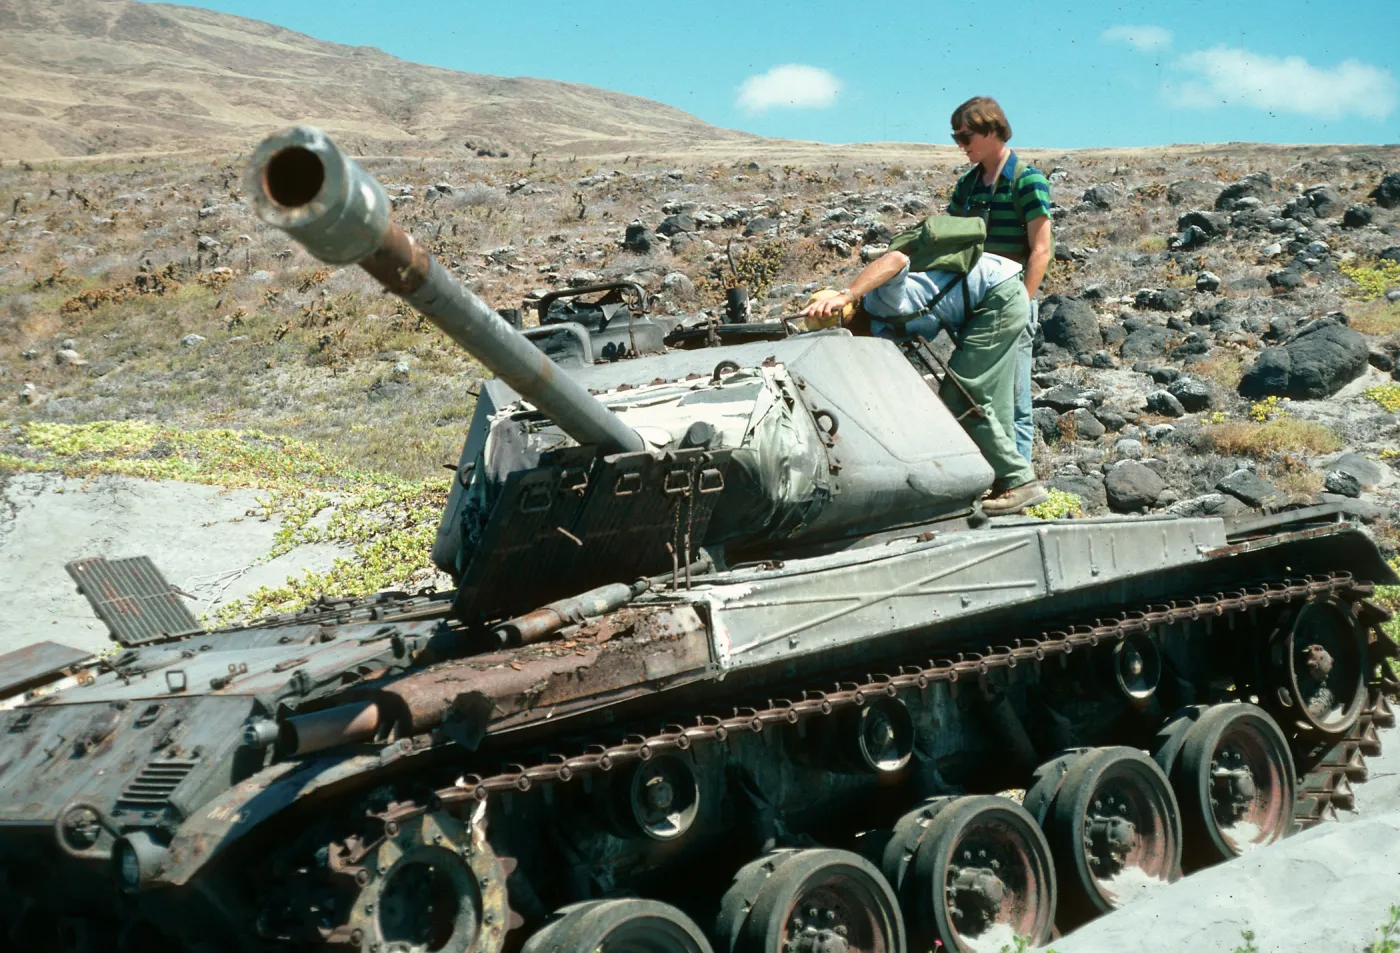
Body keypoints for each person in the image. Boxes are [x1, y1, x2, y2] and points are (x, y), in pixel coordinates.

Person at [800, 242, 1047, 514]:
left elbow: (896, 259)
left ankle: (1019, 481)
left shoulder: (879, 300)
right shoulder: (877, 329)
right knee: (991, 400)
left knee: (961, 395)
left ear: (848, 319)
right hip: (997, 295)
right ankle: (1008, 486)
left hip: (998, 294)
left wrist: (847, 295)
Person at [947, 97, 1053, 468]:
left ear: (992, 130)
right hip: (974, 304)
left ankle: (1018, 480)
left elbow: (1041, 248)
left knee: (1016, 399)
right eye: (956, 136)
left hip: (1012, 301)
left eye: (966, 135)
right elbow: (952, 241)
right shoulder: (968, 184)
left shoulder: (1027, 180)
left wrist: (1022, 301)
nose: (961, 144)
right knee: (977, 394)